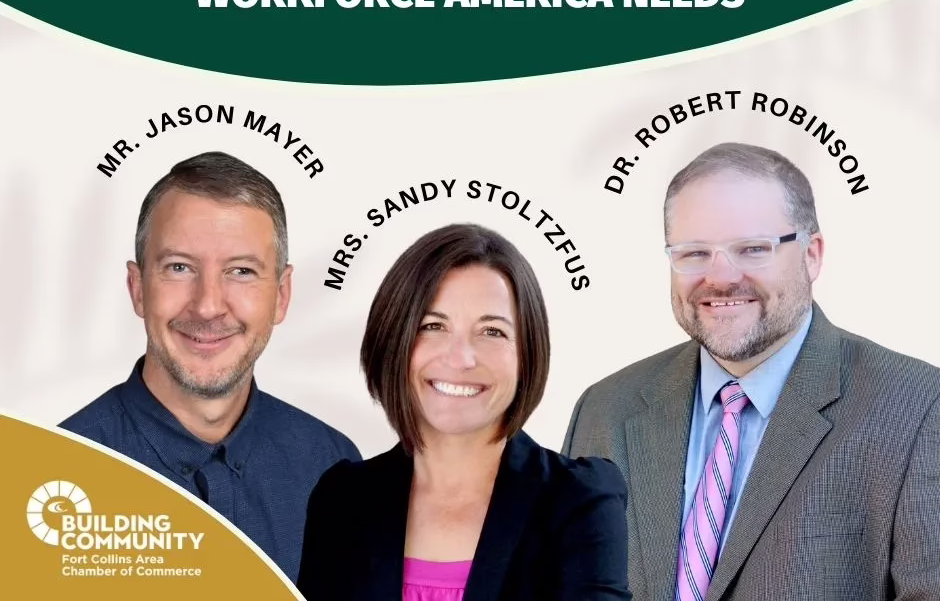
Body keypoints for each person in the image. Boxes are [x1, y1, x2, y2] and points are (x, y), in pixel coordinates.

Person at [563, 141, 940, 600]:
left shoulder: (918, 408)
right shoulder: (604, 411)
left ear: (812, 254)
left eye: (753, 248)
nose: (720, 276)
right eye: (694, 253)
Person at [59, 151, 360, 583]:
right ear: (137, 288)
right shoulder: (53, 473)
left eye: (241, 271)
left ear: (282, 294)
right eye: (179, 267)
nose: (207, 305)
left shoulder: (332, 467)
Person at [296, 223, 631, 600]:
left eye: (492, 332)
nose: (461, 358)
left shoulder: (580, 500)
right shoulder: (343, 499)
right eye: (433, 325)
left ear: (527, 353)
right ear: (393, 340)